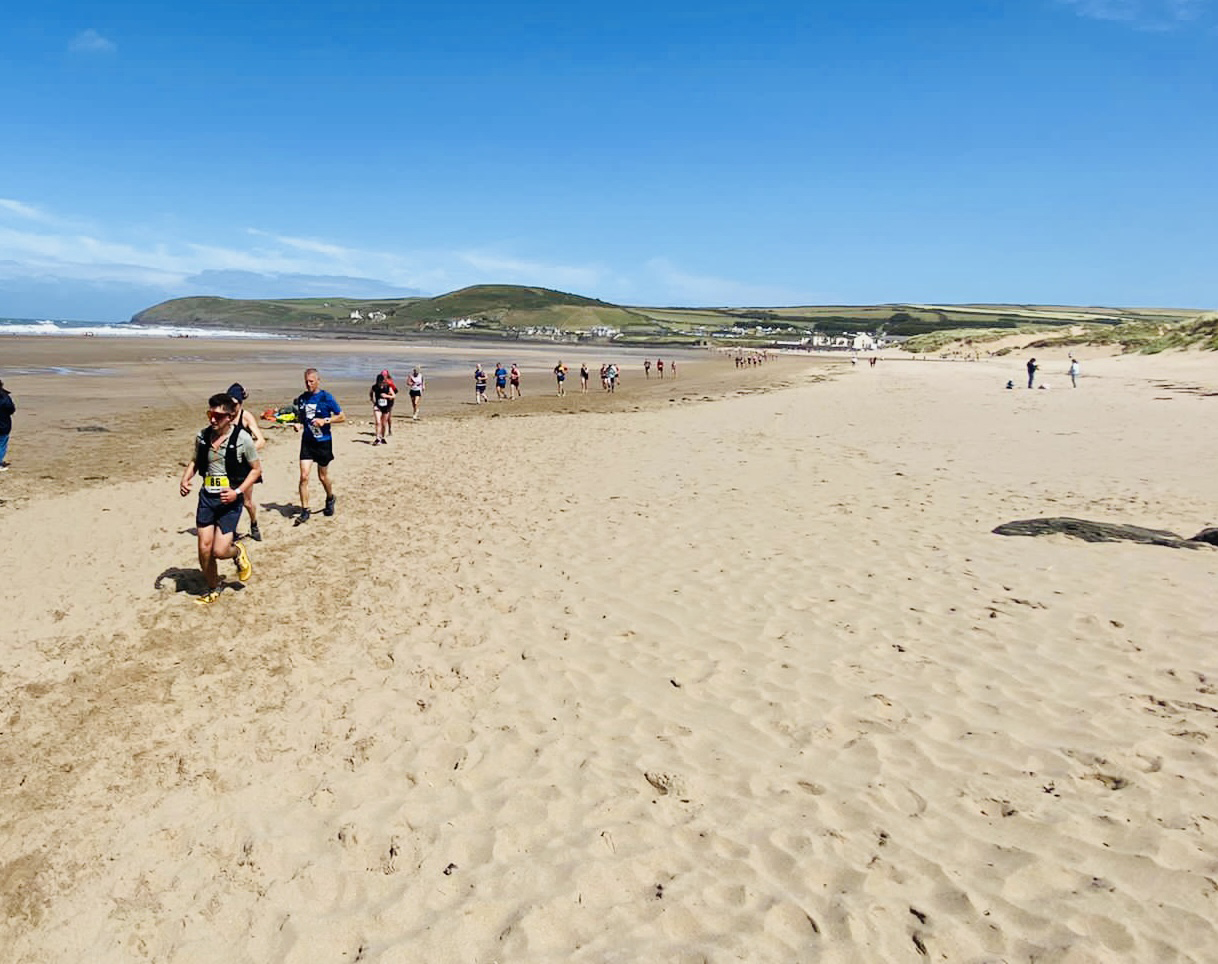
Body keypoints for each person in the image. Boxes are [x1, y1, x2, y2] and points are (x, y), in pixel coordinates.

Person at [179, 393, 261, 604]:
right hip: (207, 499)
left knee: (220, 550)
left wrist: (237, 492)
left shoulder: (242, 439)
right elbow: (195, 461)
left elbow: (256, 470)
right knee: (204, 549)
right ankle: (212, 587)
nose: (213, 419)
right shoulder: (202, 436)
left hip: (230, 501)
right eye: (210, 414)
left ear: (230, 417)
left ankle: (237, 551)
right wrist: (185, 479)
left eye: (218, 415)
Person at [294, 368, 345, 524]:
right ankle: (305, 510)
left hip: (323, 442)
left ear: (318, 380)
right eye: (306, 382)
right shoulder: (302, 399)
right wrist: (298, 424)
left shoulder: (326, 397)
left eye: (311, 381)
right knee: (304, 476)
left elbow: (342, 416)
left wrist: (325, 421)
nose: (308, 384)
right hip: (308, 442)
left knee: (322, 476)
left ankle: (330, 497)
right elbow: (301, 418)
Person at [227, 383, 267, 540]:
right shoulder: (224, 415)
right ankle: (230, 531)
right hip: (228, 466)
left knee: (246, 502)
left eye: (234, 404)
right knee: (227, 500)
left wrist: (245, 453)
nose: (231, 408)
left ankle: (254, 524)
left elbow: (261, 441)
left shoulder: (246, 417)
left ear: (240, 403)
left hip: (245, 468)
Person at [370, 371, 395, 445]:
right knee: (378, 422)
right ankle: (377, 438)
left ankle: (382, 437)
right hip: (377, 406)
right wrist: (372, 400)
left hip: (386, 407)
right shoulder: (374, 387)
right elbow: (371, 393)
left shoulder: (388, 387)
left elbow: (394, 396)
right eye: (379, 382)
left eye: (382, 382)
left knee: (384, 424)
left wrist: (387, 396)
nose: (381, 383)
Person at [0, 379, 14, 472]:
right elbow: (11, 409)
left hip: (3, 423)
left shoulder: (4, 396)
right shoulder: (4, 397)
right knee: (2, 444)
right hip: (3, 425)